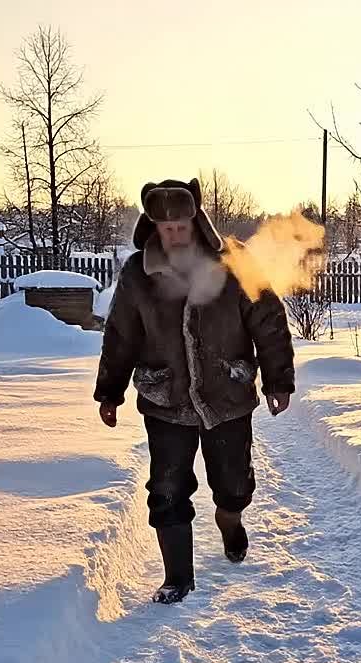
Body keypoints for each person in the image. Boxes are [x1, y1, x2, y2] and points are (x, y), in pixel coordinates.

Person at [94, 178, 295, 605]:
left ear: (195, 219)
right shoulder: (138, 273)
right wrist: (109, 391)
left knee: (234, 484)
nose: (175, 234)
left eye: (182, 225)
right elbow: (121, 335)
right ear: (153, 225)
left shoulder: (234, 261)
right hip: (166, 400)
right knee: (167, 488)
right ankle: (178, 577)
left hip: (227, 396)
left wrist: (278, 380)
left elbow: (269, 321)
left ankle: (229, 519)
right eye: (166, 228)